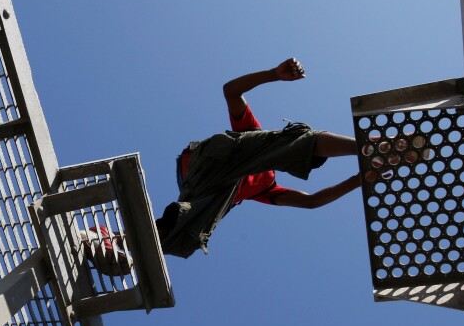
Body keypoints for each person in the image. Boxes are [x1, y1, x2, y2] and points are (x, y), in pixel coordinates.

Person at [155, 58, 362, 258]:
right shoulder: (253, 137)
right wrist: (273, 74)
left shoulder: (266, 189)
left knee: (190, 232)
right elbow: (231, 91)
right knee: (298, 138)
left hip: (203, 191)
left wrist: (360, 179)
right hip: (206, 162)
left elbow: (311, 201)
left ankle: (137, 244)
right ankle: (367, 147)